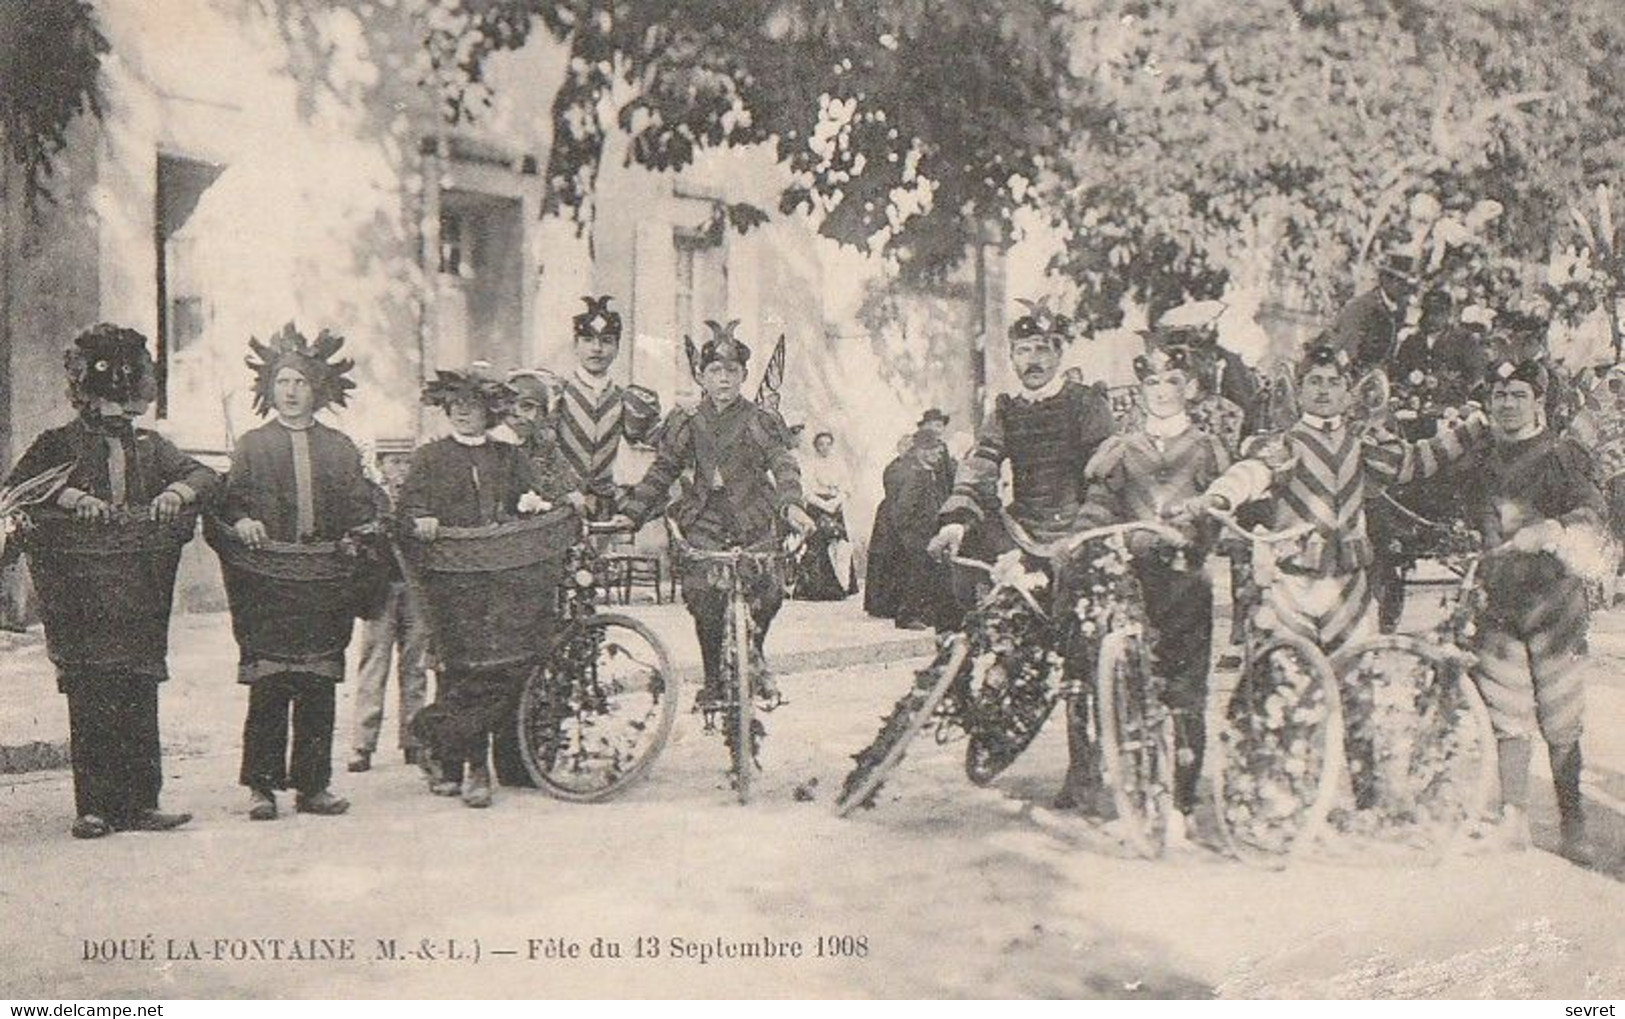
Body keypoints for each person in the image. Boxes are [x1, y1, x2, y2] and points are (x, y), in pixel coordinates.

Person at [1180, 341, 1485, 808]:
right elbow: (1250, 474)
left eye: (1333, 383)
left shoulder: (1364, 445)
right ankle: (1275, 795)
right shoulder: (1283, 445)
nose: (1324, 391)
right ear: (1299, 391)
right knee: (1285, 685)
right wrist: (1220, 497)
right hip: (1293, 586)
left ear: (1348, 392)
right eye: (1314, 383)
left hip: (1350, 589)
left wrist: (1467, 431)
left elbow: (1413, 462)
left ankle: (1369, 799)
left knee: (1361, 685)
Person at [6, 325, 218, 839]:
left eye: (126, 397)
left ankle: (142, 803)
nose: (117, 408)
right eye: (106, 397)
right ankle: (95, 807)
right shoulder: (59, 444)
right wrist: (70, 497)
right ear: (86, 393)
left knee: (139, 687)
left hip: (139, 589)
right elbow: (16, 489)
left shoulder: (151, 447)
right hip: (79, 592)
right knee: (91, 690)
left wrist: (178, 491)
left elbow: (206, 476)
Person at [1067, 342, 1231, 836]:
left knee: (1185, 693)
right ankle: (1136, 794)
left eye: (1172, 383)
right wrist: (1082, 535)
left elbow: (1227, 510)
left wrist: (1204, 533)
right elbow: (1100, 502)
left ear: (1191, 389)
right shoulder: (1121, 449)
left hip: (1185, 583)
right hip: (1134, 582)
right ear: (1140, 392)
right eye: (1152, 384)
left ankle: (1180, 803)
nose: (1162, 393)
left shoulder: (1207, 449)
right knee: (1130, 688)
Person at [217, 324, 376, 821]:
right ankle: (261, 786)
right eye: (282, 382)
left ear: (319, 390)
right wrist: (241, 521)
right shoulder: (251, 446)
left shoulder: (339, 448)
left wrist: (358, 534)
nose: (290, 392)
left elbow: (361, 505)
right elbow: (228, 503)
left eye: (301, 383)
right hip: (268, 581)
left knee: (317, 683)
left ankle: (313, 784)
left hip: (323, 581)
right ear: (269, 388)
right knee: (270, 684)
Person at [610, 320, 813, 708]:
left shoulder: (760, 419)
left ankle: (755, 653)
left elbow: (782, 462)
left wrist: (792, 505)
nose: (723, 379)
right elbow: (663, 469)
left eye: (732, 371)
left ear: (743, 376)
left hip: (753, 513)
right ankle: (713, 681)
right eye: (715, 371)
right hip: (703, 516)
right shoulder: (685, 420)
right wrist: (631, 515)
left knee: (769, 591)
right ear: (701, 376)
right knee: (703, 595)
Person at [1460, 357, 1608, 862]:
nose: (1507, 404)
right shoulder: (1479, 457)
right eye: (1499, 396)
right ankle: (1514, 820)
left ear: (1538, 402)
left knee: (1561, 718)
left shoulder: (1561, 457)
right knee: (1507, 715)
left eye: (1517, 395)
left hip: (1553, 606)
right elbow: (1438, 498)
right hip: (1497, 603)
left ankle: (1573, 822)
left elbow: (1591, 509)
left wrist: (1554, 530)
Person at [399, 365, 548, 808]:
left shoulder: (507, 456)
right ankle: (461, 766)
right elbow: (408, 507)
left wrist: (537, 507)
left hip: (502, 578)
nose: (464, 413)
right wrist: (421, 517)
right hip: (450, 580)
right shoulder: (430, 457)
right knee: (457, 669)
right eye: (457, 405)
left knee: (500, 668)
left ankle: (433, 732)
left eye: (474, 405)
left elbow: (532, 499)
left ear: (490, 410)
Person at [927, 298, 1117, 566]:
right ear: (1012, 357)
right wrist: (955, 523)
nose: (1032, 360)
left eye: (1041, 350)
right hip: (1022, 533)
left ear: (1058, 355)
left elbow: (1107, 477)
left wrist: (1084, 532)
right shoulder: (1006, 411)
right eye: (1023, 351)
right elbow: (980, 467)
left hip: (1082, 532)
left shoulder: (1086, 403)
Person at [347, 448, 428, 776]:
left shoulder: (421, 496)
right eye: (394, 461)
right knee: (373, 665)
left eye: (408, 461)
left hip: (416, 590)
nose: (402, 469)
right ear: (380, 464)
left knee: (416, 666)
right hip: (380, 591)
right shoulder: (367, 496)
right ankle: (362, 744)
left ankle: (414, 740)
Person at [551, 295, 661, 519]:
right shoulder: (557, 394)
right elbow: (541, 450)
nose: (597, 348)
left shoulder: (628, 398)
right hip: (561, 504)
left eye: (607, 341)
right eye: (588, 340)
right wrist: (565, 489)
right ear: (575, 345)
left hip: (607, 508)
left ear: (617, 348)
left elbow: (661, 447)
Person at [890, 413, 958, 631]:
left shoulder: (930, 473)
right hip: (916, 536)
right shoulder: (915, 475)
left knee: (930, 575)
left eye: (939, 452)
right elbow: (902, 510)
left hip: (928, 532)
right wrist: (910, 535)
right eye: (934, 452)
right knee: (916, 576)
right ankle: (906, 616)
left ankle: (925, 614)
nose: (938, 456)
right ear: (921, 451)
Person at [1326, 252, 1419, 374]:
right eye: (1400, 282)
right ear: (1384, 279)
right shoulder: (1361, 308)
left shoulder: (1398, 308)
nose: (1405, 289)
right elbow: (1344, 353)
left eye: (1409, 285)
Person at [794, 430, 856, 600]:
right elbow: (806, 490)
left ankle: (841, 585)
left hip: (835, 506)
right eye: (821, 444)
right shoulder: (810, 464)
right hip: (816, 507)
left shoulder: (839, 463)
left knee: (839, 544)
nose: (825, 448)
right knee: (817, 545)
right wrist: (823, 505)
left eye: (828, 444)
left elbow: (846, 487)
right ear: (816, 446)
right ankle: (816, 588)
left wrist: (835, 502)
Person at [862, 434, 915, 620]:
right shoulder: (895, 468)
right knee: (888, 557)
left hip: (903, 514)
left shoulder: (914, 467)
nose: (909, 449)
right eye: (905, 446)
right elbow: (897, 492)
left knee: (901, 559)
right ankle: (884, 604)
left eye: (912, 445)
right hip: (891, 515)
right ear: (899, 448)